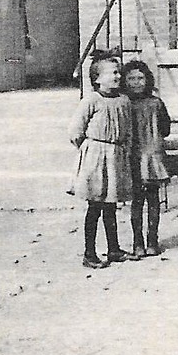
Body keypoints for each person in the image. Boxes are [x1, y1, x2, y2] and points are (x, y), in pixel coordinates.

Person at [68, 55, 137, 268]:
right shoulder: (91, 100)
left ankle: (113, 249)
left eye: (119, 72)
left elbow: (129, 130)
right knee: (95, 206)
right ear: (97, 79)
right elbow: (75, 132)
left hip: (116, 157)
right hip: (96, 158)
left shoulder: (124, 100)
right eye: (113, 73)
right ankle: (89, 253)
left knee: (111, 206)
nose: (118, 76)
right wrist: (91, 150)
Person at [122, 59, 172, 258]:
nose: (136, 83)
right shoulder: (123, 103)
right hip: (132, 158)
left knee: (152, 200)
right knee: (136, 202)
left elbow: (165, 129)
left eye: (140, 78)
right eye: (131, 79)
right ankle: (138, 243)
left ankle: (152, 240)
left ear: (147, 80)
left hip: (151, 157)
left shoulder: (156, 103)